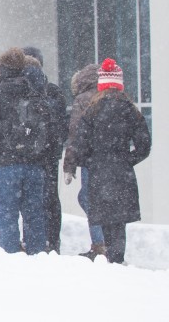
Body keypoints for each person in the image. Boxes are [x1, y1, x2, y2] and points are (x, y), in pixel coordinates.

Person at [66, 58, 150, 264]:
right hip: (122, 172)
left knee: (104, 217)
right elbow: (145, 144)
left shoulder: (92, 110)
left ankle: (108, 258)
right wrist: (128, 159)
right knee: (119, 220)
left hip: (99, 172)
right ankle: (117, 257)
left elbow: (79, 142)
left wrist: (89, 161)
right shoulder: (130, 109)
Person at [0, 48, 49, 255]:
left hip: (6, 164)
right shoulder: (34, 91)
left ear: (3, 68)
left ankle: (11, 257)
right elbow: (46, 125)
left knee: (7, 218)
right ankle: (38, 256)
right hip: (33, 163)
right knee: (34, 216)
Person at [23, 47, 69, 253]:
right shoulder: (53, 91)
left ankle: (49, 240)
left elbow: (56, 123)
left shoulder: (50, 92)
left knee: (44, 198)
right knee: (43, 198)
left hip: (44, 154)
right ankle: (47, 240)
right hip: (44, 153)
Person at [63, 64, 106, 258]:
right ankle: (108, 241)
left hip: (91, 160)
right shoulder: (109, 94)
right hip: (112, 160)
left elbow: (75, 134)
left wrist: (69, 164)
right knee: (103, 202)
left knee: (89, 199)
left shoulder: (82, 100)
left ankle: (99, 245)